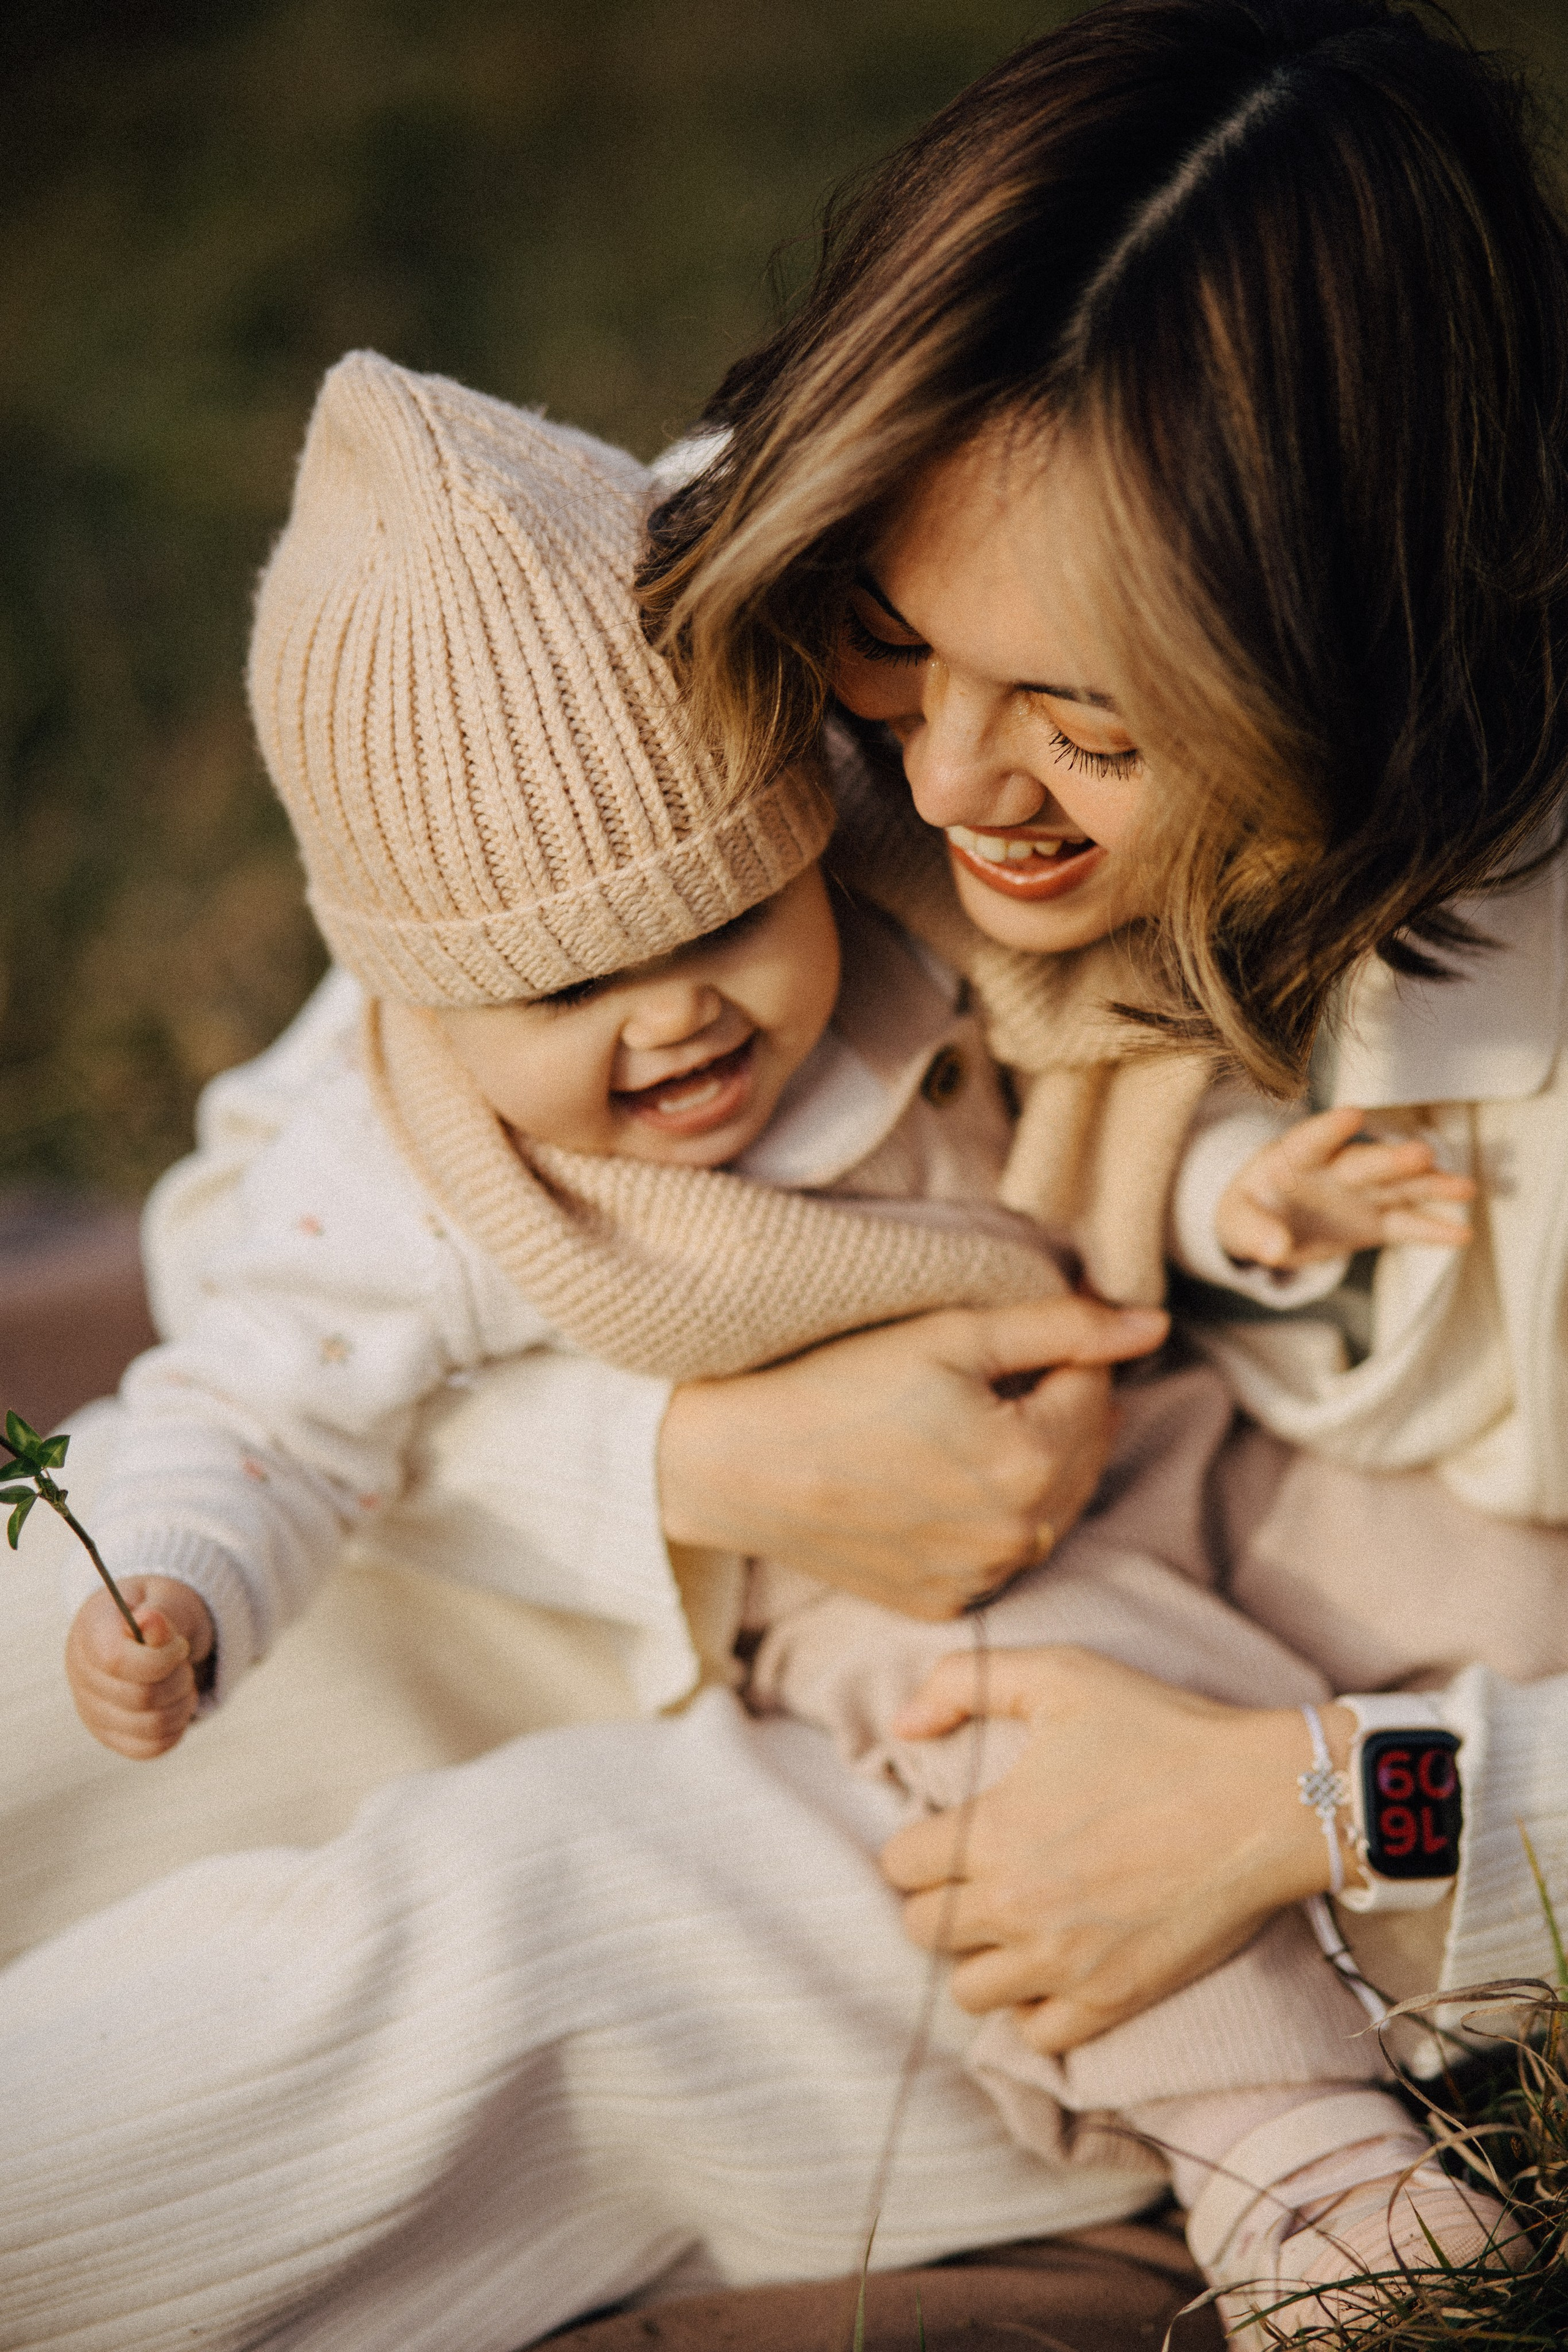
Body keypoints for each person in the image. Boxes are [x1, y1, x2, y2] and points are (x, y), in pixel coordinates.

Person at [6, 1, 1568, 2345]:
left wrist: (1312, 1808)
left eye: (1091, 724)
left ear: (1371, 665)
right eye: (893, 652)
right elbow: (289, 1233)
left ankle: (1294, 2160)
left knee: (326, 2024)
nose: (935, 789)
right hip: (710, 1522)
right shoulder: (804, 559)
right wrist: (683, 1468)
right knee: (47, 1681)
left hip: (1180, 1733)